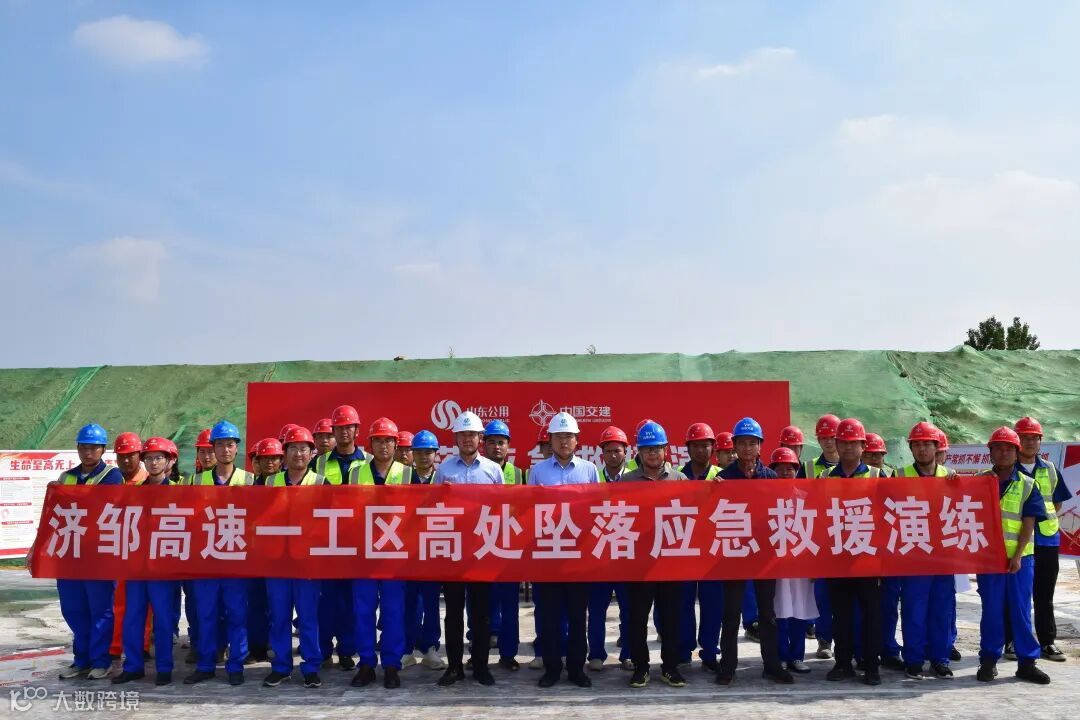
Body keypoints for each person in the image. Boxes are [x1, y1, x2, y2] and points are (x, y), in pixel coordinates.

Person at [716, 417, 792, 686]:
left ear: (760, 446)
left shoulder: (771, 477)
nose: (747, 448)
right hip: (734, 554)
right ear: (734, 447)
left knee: (767, 614)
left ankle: (771, 665)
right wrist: (712, 493)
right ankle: (728, 667)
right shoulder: (724, 478)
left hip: (763, 556)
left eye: (752, 443)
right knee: (731, 614)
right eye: (742, 443)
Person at [528, 412, 599, 689]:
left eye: (569, 436)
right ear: (550, 440)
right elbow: (529, 510)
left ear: (577, 440)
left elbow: (596, 510)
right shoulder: (538, 471)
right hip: (548, 555)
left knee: (578, 615)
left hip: (578, 556)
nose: (564, 441)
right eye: (558, 437)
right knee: (549, 617)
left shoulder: (589, 470)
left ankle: (576, 669)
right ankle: (552, 668)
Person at [976, 427, 1050, 685]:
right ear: (990, 452)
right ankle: (988, 660)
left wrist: (1017, 556)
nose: (1003, 452)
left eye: (1009, 448)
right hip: (988, 561)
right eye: (998, 448)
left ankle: (1027, 663)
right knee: (992, 611)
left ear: (1017, 452)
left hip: (1020, 561)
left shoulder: (1028, 484)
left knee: (1020, 611)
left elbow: (1029, 523)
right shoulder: (979, 481)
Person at [434, 411, 502, 687]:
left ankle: (481, 666)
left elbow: (503, 509)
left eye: (471, 434)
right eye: (462, 435)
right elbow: (434, 508)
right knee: (453, 612)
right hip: (453, 551)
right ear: (455, 438)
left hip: (482, 550)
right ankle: (454, 667)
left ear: (479, 438)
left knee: (481, 613)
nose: (467, 439)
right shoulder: (444, 470)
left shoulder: (492, 470)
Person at [184, 420, 254, 687]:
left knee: (237, 615)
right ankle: (205, 665)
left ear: (237, 448)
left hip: (236, 561)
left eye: (230, 444)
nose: (225, 449)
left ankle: (236, 665)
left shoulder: (250, 480)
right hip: (206, 560)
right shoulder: (195, 480)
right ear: (212, 448)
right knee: (206, 615)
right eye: (220, 444)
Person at [622, 421, 688, 689]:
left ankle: (670, 667)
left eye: (657, 448)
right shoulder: (626, 481)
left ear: (666, 450)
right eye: (647, 449)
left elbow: (696, 513)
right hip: (639, 563)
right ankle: (641, 667)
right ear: (639, 452)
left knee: (671, 618)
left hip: (669, 561)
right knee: (637, 618)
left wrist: (716, 490)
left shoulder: (680, 480)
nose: (652, 453)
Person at [55, 424, 123, 680]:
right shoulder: (66, 477)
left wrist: (69, 497)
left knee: (100, 610)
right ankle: (81, 659)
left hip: (98, 556)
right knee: (73, 609)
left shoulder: (112, 476)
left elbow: (102, 507)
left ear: (103, 450)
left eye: (93, 448)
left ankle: (100, 660)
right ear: (77, 448)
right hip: (70, 554)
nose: (88, 452)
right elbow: (55, 513)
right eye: (83, 447)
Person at [113, 438, 182, 685]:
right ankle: (133, 666)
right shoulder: (134, 492)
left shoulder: (179, 492)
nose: (153, 463)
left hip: (163, 567)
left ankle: (164, 667)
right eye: (149, 458)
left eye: (158, 458)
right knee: (133, 616)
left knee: (163, 619)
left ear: (168, 461)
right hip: (138, 566)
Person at [818, 418, 881, 686]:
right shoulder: (825, 477)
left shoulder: (878, 475)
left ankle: (871, 666)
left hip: (868, 558)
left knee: (871, 616)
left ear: (863, 446)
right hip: (837, 558)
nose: (847, 447)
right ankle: (843, 663)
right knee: (840, 615)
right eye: (843, 442)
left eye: (853, 443)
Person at [349, 417, 411, 690]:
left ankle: (391, 665)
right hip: (363, 555)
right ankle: (366, 663)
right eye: (378, 440)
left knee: (393, 612)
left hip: (394, 556)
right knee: (362, 611)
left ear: (396, 445)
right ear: (370, 444)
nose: (383, 445)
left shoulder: (408, 474)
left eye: (388, 441)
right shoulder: (355, 473)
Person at [262, 426, 325, 689]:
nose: (298, 453)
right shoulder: (268, 483)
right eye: (293, 448)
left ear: (312, 453)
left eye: (303, 448)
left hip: (307, 564)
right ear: (284, 453)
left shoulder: (322, 483)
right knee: (279, 617)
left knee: (308, 617)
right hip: (277, 563)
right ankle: (281, 666)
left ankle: (311, 667)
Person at [896, 422, 956, 679]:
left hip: (943, 556)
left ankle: (940, 659)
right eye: (917, 444)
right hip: (913, 555)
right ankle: (913, 659)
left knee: (942, 610)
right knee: (914, 610)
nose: (922, 449)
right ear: (911, 448)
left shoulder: (950, 476)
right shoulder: (899, 475)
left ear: (936, 447)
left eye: (927, 444)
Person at [311, 404, 366, 670]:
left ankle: (347, 650)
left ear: (357, 430)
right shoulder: (318, 462)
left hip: (357, 540)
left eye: (349, 427)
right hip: (325, 541)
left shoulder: (368, 461)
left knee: (350, 602)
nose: (344, 432)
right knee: (325, 600)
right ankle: (323, 651)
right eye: (339, 428)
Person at [1014, 416, 1069, 662]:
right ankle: (1012, 641)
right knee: (1016, 595)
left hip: (1046, 540)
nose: (1029, 442)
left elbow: (1056, 502)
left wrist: (1039, 522)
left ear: (1040, 441)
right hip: (1016, 543)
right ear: (1016, 441)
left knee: (1044, 594)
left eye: (1034, 438)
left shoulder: (1049, 469)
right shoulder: (1007, 469)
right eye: (1024, 438)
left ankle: (1047, 642)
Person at [679, 422, 723, 670]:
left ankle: (709, 651)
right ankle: (683, 650)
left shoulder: (723, 475)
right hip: (684, 550)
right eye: (695, 445)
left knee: (712, 605)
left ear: (713, 447)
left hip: (713, 551)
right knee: (683, 603)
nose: (700, 450)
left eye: (705, 445)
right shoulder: (677, 476)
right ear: (688, 448)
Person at [769, 447, 817, 674]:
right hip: (775, 565)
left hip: (800, 564)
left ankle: (797, 656)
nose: (785, 473)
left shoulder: (805, 497)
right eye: (780, 469)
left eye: (790, 468)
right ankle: (781, 655)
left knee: (799, 609)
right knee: (779, 610)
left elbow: (816, 531)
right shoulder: (764, 496)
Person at [588, 425, 632, 671]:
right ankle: (596, 653)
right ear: (601, 454)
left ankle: (628, 652)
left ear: (626, 452)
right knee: (596, 609)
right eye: (608, 451)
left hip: (626, 554)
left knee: (629, 609)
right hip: (599, 557)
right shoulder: (592, 478)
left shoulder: (636, 479)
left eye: (617, 450)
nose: (613, 455)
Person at [481, 420, 523, 671]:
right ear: (483, 445)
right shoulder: (477, 469)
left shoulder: (519, 474)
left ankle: (509, 653)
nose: (497, 447)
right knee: (480, 604)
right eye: (492, 442)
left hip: (509, 546)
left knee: (510, 604)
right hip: (480, 545)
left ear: (508, 446)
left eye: (501, 442)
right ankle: (479, 652)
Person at [403, 430, 446, 670]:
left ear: (435, 454)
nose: (423, 456)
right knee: (409, 602)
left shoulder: (442, 479)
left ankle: (430, 648)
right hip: (408, 551)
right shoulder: (404, 478)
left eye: (428, 452)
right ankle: (407, 649)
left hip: (433, 549)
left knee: (431, 602)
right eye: (418, 452)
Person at [863, 432, 903, 670]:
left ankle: (889, 650)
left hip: (888, 555)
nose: (874, 459)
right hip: (861, 553)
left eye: (878, 455)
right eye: (870, 455)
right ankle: (863, 652)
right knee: (862, 609)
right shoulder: (852, 481)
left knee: (888, 606)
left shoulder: (892, 480)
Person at [109, 431, 146, 661]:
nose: (125, 460)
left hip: (141, 551)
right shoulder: (111, 481)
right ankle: (115, 646)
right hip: (116, 548)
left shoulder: (148, 481)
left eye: (130, 455)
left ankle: (142, 644)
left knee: (142, 603)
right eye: (121, 455)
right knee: (116, 600)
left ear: (139, 455)